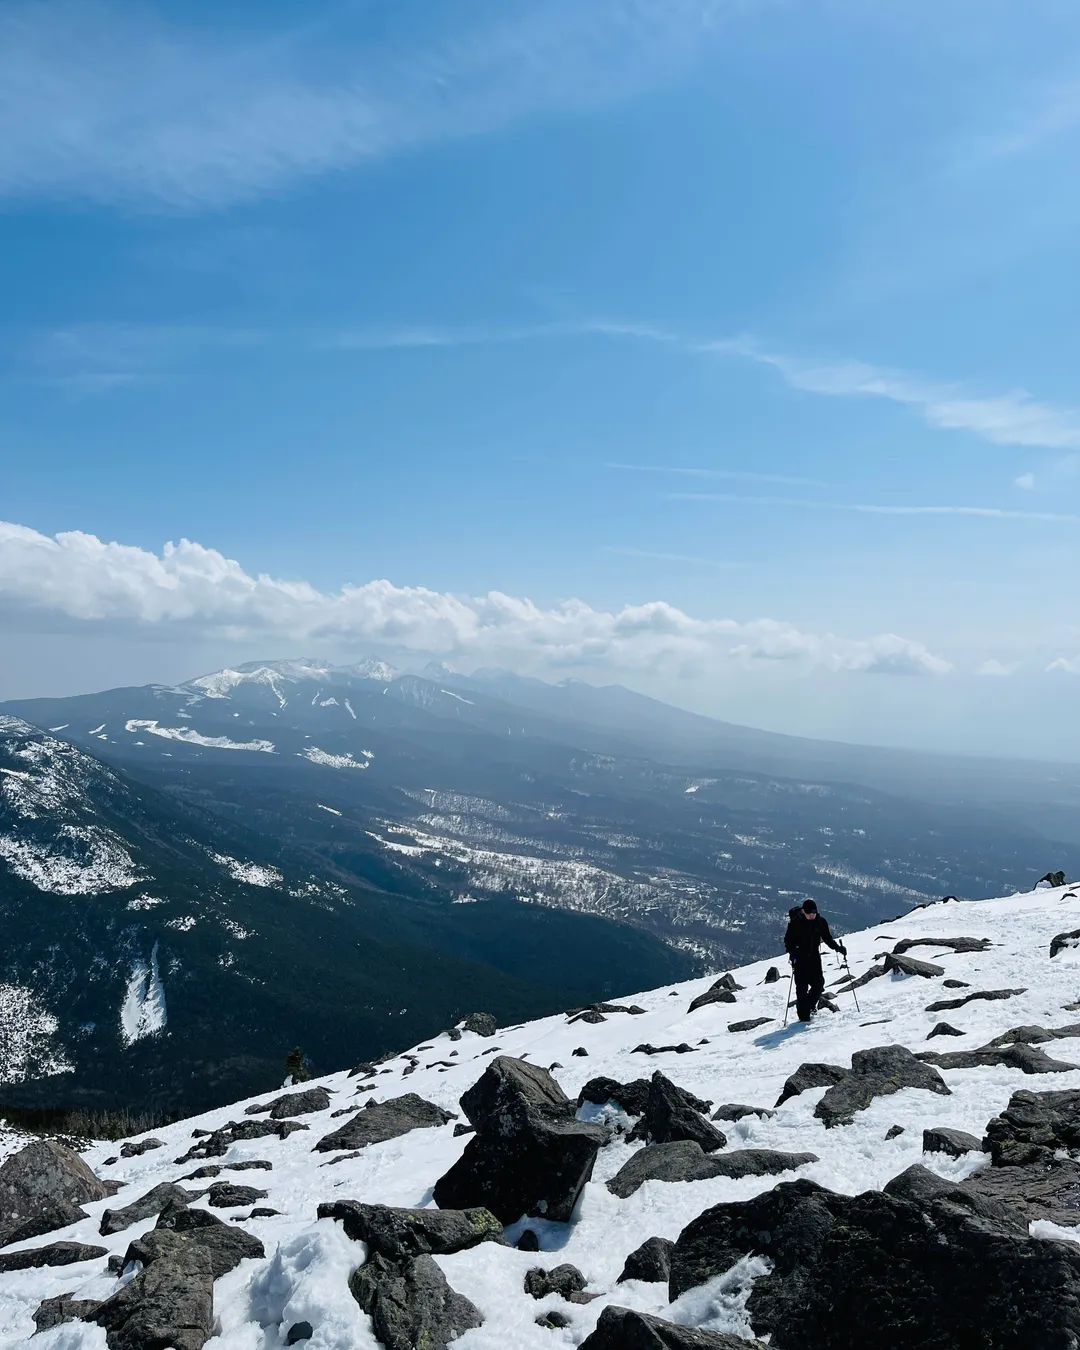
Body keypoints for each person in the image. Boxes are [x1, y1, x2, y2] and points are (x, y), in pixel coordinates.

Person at [784, 899, 846, 1022]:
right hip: (800, 959)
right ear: (803, 911)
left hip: (814, 958)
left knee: (818, 985)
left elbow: (827, 938)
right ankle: (803, 1015)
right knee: (801, 988)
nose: (811, 916)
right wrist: (793, 954)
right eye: (809, 913)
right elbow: (788, 941)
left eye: (814, 913)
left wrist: (838, 948)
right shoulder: (795, 923)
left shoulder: (820, 922)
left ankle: (808, 1007)